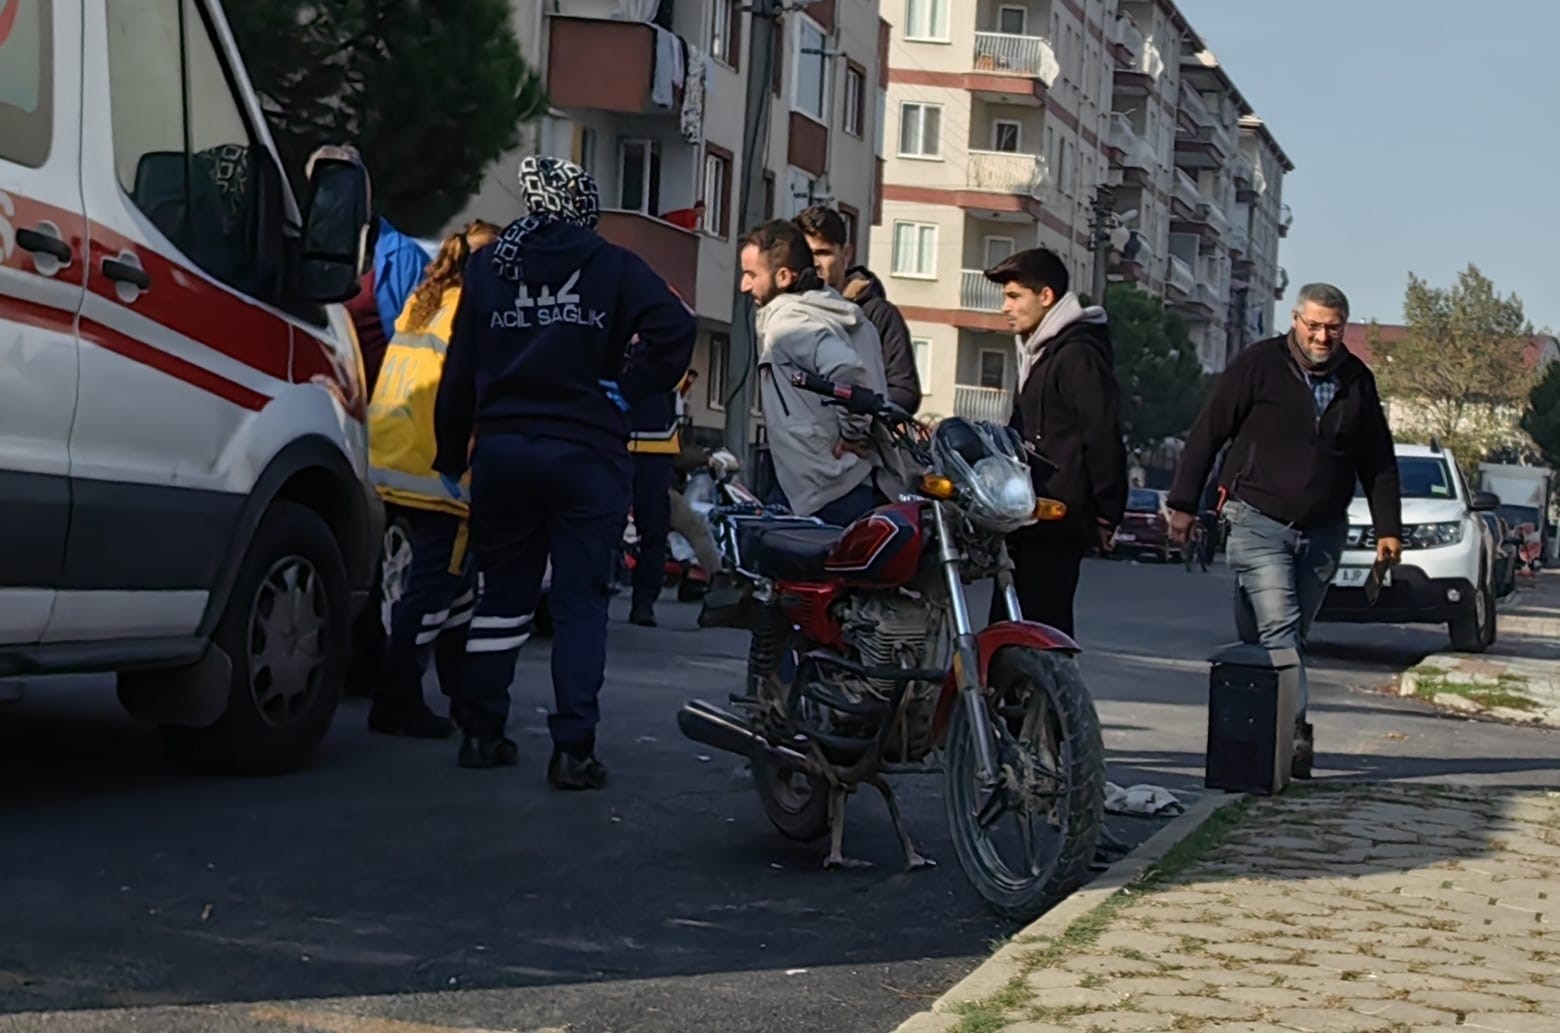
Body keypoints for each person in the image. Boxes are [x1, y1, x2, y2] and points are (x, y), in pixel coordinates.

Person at [433, 157, 696, 787]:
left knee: (504, 596)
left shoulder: (491, 265)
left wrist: (449, 454)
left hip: (504, 451)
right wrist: (628, 388)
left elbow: (460, 368)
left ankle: (481, 731)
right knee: (580, 604)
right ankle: (573, 750)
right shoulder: (610, 264)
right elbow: (675, 325)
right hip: (586, 452)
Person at [1166, 282, 1402, 779]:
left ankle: (1262, 719)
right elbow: (1209, 431)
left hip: (1323, 529)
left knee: (1280, 630)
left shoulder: (1356, 380)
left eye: (1332, 328)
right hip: (1257, 517)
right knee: (1281, 630)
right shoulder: (1259, 364)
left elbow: (1378, 459)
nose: (1322, 336)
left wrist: (1389, 529)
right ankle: (1293, 735)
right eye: (1313, 325)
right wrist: (1184, 504)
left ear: (1343, 327)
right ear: (1295, 319)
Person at [365, 220, 502, 739]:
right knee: (434, 588)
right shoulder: (475, 314)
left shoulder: (425, 302)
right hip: (438, 472)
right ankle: (397, 697)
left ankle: (460, 694)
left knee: (455, 583)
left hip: (392, 458)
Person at [307, 144, 431, 701]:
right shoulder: (305, 247)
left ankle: (376, 664)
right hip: (321, 415)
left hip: (384, 425)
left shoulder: (396, 257)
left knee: (387, 553)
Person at [985, 248, 1127, 638]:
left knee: (1042, 632)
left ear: (1045, 297)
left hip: (1056, 518)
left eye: (1014, 297)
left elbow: (1102, 434)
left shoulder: (1076, 355)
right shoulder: (1040, 352)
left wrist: (1107, 511)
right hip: (1028, 515)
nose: (1005, 308)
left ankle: (1052, 700)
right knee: (1009, 627)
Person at [739, 219, 890, 526]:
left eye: (752, 274)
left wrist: (852, 432)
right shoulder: (838, 311)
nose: (744, 285)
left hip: (821, 486)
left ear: (783, 276)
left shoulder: (788, 322)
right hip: (852, 480)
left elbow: (847, 370)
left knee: (755, 555)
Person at [794, 205, 923, 414]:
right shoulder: (791, 313)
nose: (814, 263)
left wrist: (863, 421)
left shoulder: (878, 315)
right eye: (807, 254)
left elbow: (904, 392)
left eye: (823, 253)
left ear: (846, 253)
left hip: (860, 441)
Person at [626, 350, 682, 628]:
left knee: (654, 527)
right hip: (613, 435)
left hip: (657, 441)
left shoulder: (665, 329)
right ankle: (593, 591)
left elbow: (678, 371)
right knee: (601, 522)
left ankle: (644, 602)